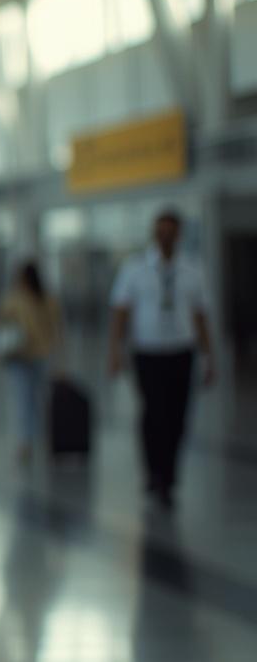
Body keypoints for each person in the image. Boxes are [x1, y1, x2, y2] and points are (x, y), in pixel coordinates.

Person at [107, 209, 216, 510]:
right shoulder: (135, 268)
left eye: (169, 232)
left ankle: (169, 474)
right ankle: (154, 471)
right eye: (159, 232)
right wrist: (115, 351)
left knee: (178, 416)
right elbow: (120, 311)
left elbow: (200, 316)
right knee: (153, 413)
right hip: (148, 351)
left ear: (178, 235)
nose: (164, 237)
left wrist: (209, 357)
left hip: (181, 351)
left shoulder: (193, 270)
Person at [0, 261, 62, 462]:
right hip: (25, 356)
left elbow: (56, 329)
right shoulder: (20, 299)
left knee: (30, 400)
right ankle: (28, 441)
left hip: (34, 355)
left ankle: (32, 441)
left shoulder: (26, 299)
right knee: (28, 400)